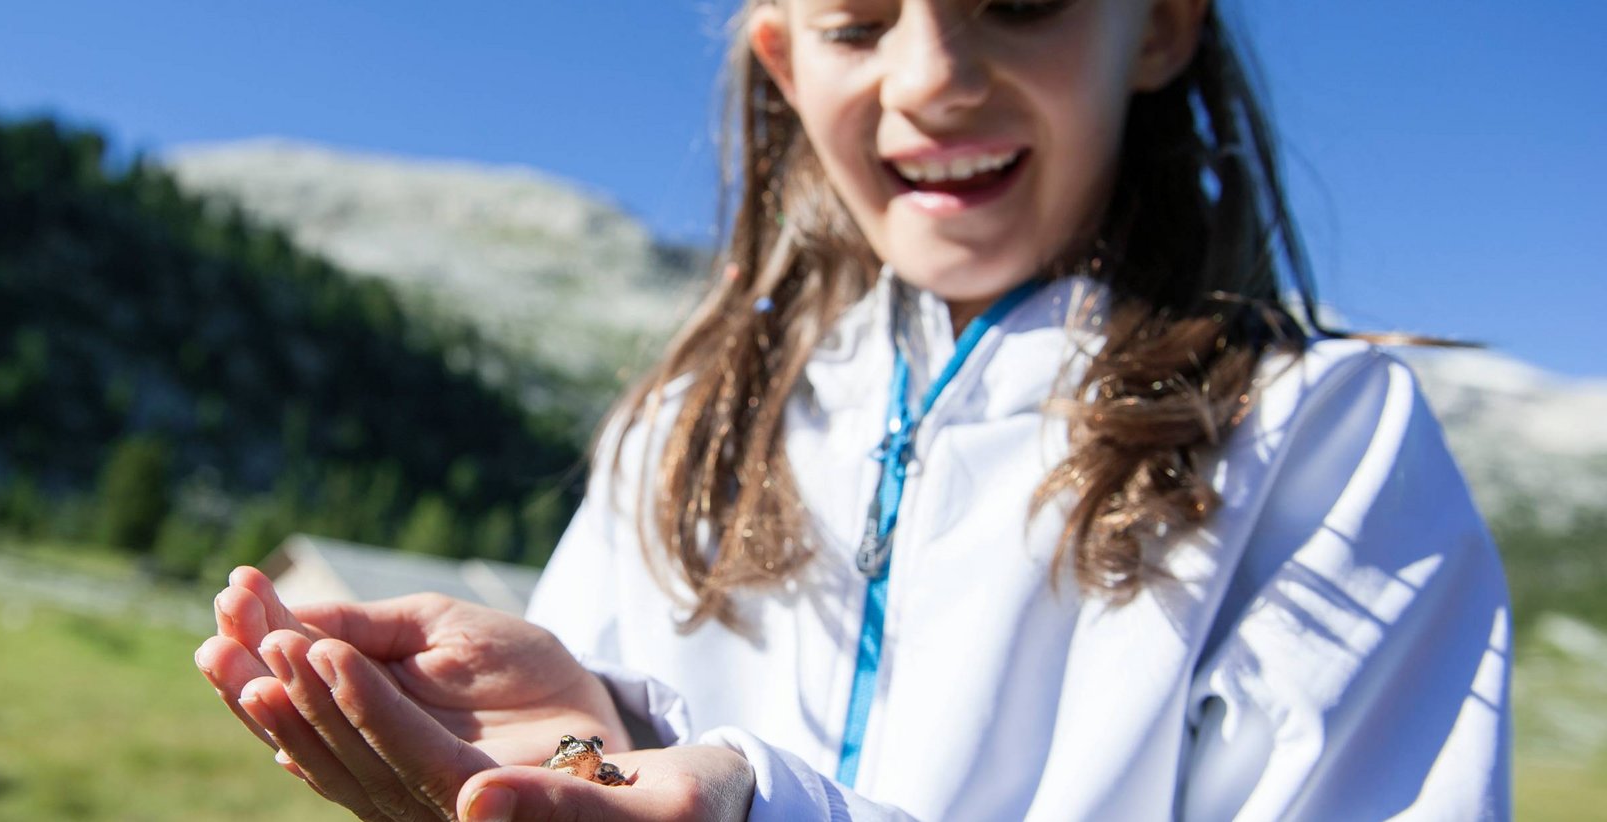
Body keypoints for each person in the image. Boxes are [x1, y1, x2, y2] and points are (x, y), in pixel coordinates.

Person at [195, 0, 1511, 818]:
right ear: (779, 49)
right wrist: (602, 718)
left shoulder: (1320, 438)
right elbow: (595, 775)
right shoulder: (686, 423)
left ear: (1161, 24)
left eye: (1021, 2)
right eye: (858, 19)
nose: (933, 78)